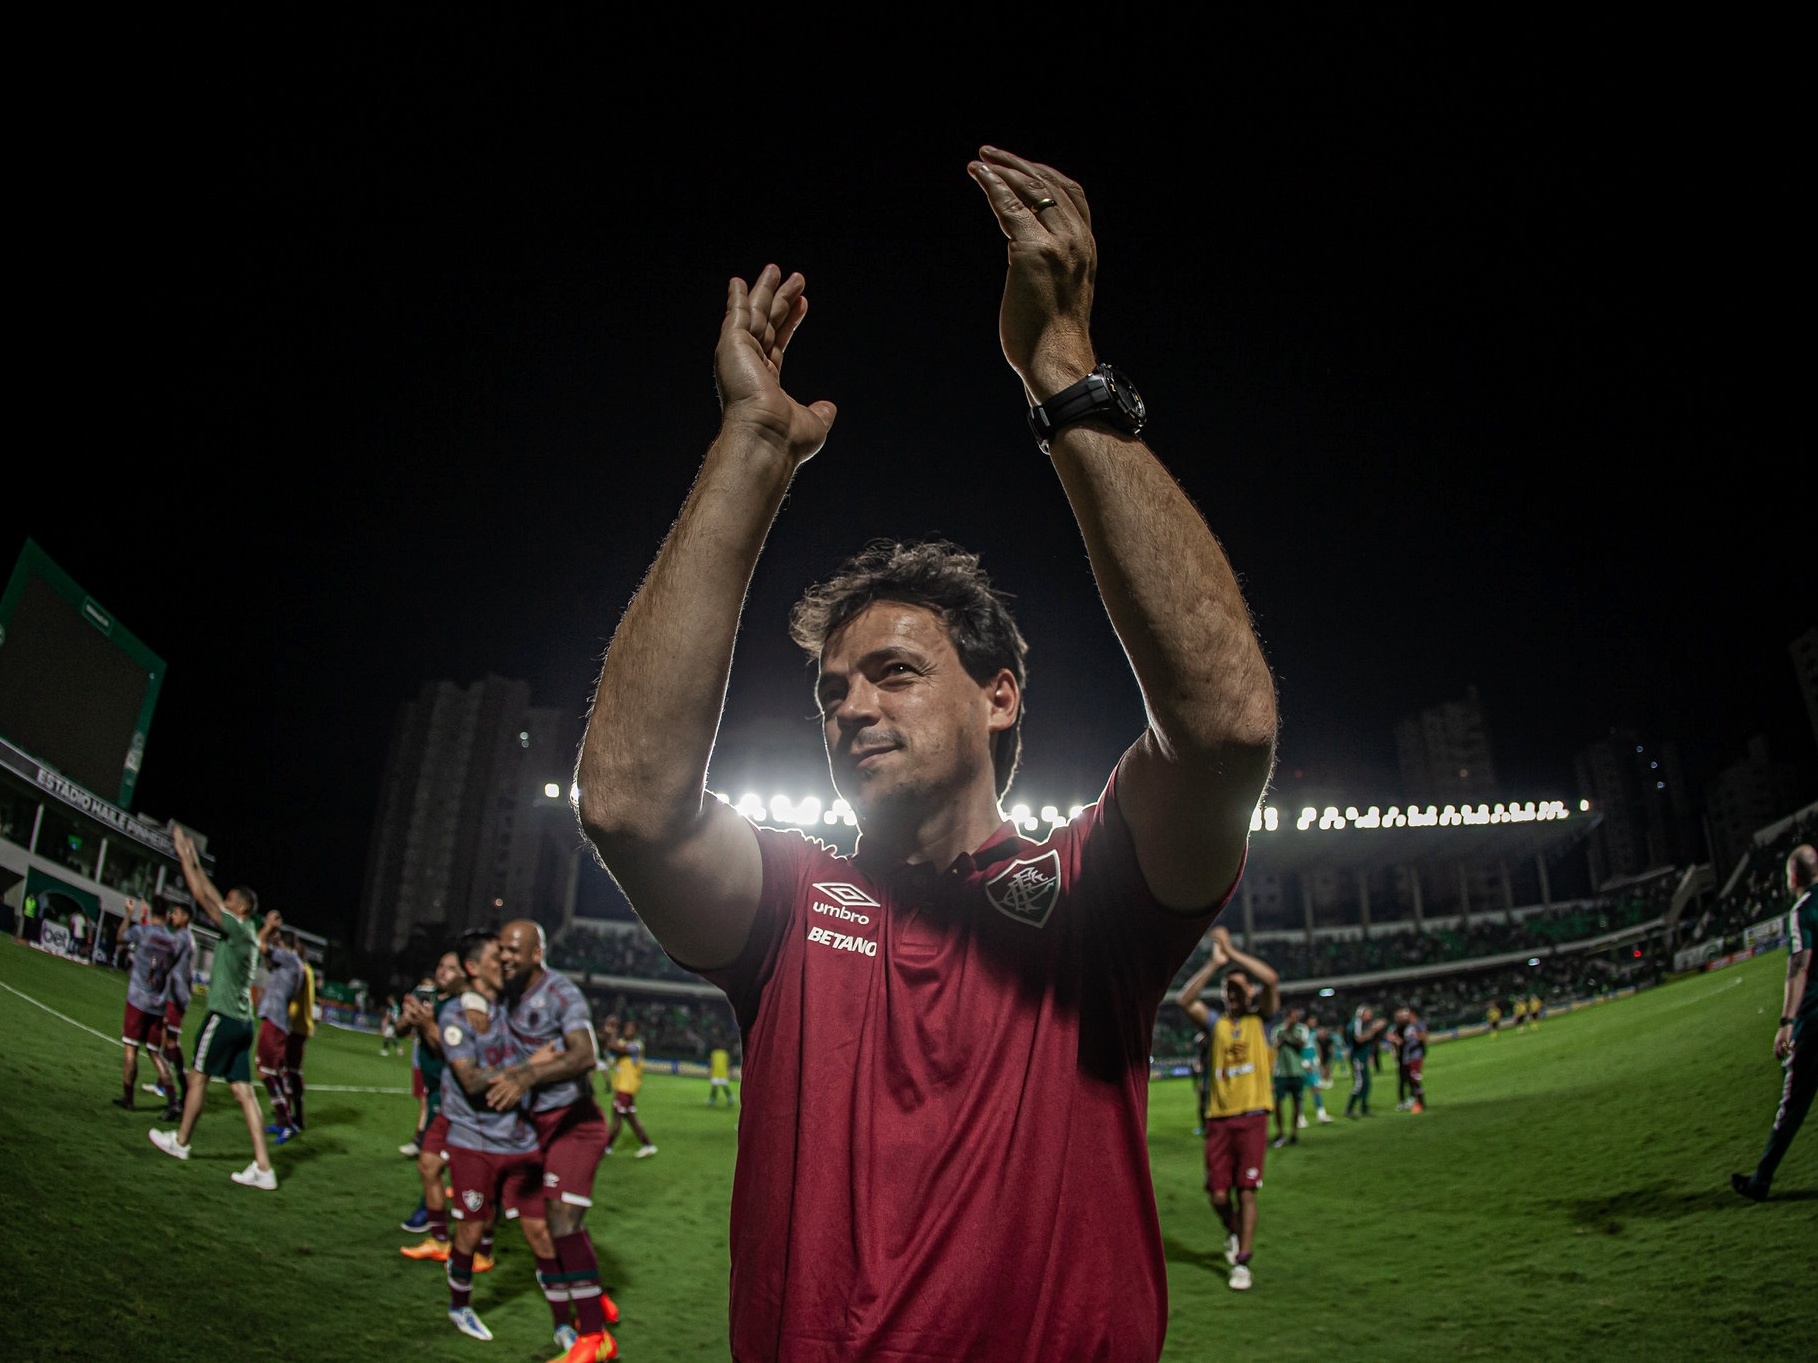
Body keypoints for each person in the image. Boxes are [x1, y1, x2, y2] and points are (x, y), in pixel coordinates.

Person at [570, 146, 1277, 1361]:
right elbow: (628, 800)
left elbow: (1225, 726)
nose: (849, 705)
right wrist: (751, 440)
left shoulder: (1097, 894)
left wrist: (1062, 374)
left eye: (893, 671)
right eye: (830, 689)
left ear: (1001, 696)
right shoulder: (793, 901)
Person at [491, 919, 621, 1362]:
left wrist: (527, 1074)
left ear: (535, 954)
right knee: (536, 1229)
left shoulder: (561, 992)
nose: (505, 956)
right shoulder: (502, 996)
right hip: (529, 1128)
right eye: (501, 950)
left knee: (562, 1220)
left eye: (514, 950)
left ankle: (595, 1336)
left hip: (574, 1123)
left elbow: (585, 1055)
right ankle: (590, 1294)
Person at [435, 929, 561, 1345]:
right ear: (473, 968)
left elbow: (555, 1036)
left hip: (520, 1140)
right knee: (471, 1230)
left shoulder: (512, 1005)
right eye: (495, 956)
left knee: (541, 1230)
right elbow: (471, 1081)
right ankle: (460, 1307)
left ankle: (564, 1323)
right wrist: (526, 1070)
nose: (504, 961)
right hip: (474, 1141)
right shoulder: (456, 1014)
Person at [148, 824, 278, 1191]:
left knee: (198, 1077)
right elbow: (208, 893)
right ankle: (264, 1168)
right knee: (244, 1092)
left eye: (229, 899)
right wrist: (191, 859)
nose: (223, 902)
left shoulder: (237, 929)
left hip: (222, 1017)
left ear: (240, 907)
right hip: (243, 1023)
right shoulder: (249, 931)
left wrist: (184, 856)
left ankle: (182, 1142)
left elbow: (201, 896)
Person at [1175, 927, 1280, 1290]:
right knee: (1218, 1195)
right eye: (1227, 989)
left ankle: (1243, 1261)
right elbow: (1185, 1001)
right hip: (1218, 1119)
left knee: (1246, 1191)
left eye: (1239, 988)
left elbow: (1271, 979)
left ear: (1249, 993)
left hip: (1252, 1116)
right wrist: (1213, 964)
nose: (1233, 993)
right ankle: (1233, 1231)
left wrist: (1233, 954)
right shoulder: (1218, 1025)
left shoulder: (1261, 1021)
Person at [1732, 843, 1818, 1202]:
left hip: (1813, 1021)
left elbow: (1799, 964)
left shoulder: (1802, 910)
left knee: (1793, 1102)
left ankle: (1762, 1180)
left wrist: (1786, 1020)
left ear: (1794, 877)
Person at [401, 950, 465, 1247]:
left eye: (451, 968)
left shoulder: (460, 1007)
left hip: (451, 1090)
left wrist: (427, 1025)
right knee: (438, 1158)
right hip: (436, 1088)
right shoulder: (427, 996)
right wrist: (409, 1017)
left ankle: (429, 1212)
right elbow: (400, 1029)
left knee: (431, 1158)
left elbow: (451, 1052)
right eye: (441, 966)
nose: (443, 972)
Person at [112, 898, 182, 1111]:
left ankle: (129, 1100)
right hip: (158, 1003)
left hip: (137, 1000)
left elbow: (120, 938)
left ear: (151, 911)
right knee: (155, 1053)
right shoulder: (173, 941)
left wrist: (128, 914)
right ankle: (172, 1102)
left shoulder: (143, 932)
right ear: (168, 915)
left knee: (130, 1049)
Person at [255, 918, 306, 1142]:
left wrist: (267, 928)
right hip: (280, 1019)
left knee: (265, 1073)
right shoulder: (296, 964)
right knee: (277, 1073)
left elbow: (260, 945)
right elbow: (268, 962)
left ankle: (286, 1121)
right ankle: (283, 1121)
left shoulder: (287, 957)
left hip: (274, 1019)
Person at [154, 901, 196, 1121]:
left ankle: (180, 1095)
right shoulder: (183, 937)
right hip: (173, 994)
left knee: (169, 1044)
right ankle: (174, 1088)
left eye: (178, 913)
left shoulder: (182, 938)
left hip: (175, 996)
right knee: (166, 1042)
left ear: (186, 917)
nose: (173, 916)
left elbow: (166, 959)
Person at [604, 1019, 657, 1157]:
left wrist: (612, 1033)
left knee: (616, 1117)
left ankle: (606, 1147)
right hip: (622, 1086)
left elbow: (617, 1048)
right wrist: (611, 1032)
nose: (627, 1030)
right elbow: (611, 1046)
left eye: (631, 1028)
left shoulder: (637, 1046)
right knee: (631, 1118)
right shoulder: (622, 1042)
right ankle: (648, 1145)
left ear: (636, 1032)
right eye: (626, 1027)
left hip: (627, 1087)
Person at [284, 932, 316, 1131]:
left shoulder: (302, 971)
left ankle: (297, 1115)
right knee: (288, 1070)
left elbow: (294, 997)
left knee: (292, 1072)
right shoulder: (307, 970)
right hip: (298, 1026)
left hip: (297, 1026)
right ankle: (290, 1111)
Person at [1268, 1004, 1312, 1148]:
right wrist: (1285, 1032)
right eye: (1293, 1016)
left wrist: (1289, 1034)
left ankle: (1294, 1132)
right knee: (1278, 1104)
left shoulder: (1301, 1029)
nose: (1295, 1019)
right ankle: (1280, 1132)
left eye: (1296, 1017)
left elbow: (1301, 1045)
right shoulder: (1277, 1030)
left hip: (1297, 1071)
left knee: (1297, 1103)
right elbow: (1275, 1046)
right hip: (1280, 1073)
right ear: (1286, 1017)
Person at [1344, 1005, 1388, 1118]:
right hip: (1357, 1057)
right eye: (1368, 1014)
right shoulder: (1356, 1023)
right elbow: (1359, 1039)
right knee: (1360, 1083)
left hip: (1362, 1056)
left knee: (1366, 1083)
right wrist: (1374, 1029)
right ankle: (1349, 1108)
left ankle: (1364, 1107)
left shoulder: (1362, 1024)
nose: (1370, 1016)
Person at [1300, 1010, 1332, 1124]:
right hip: (1302, 1064)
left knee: (1316, 1088)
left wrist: (1318, 1062)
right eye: (1312, 1020)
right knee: (1301, 1092)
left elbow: (1315, 1046)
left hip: (1313, 1064)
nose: (1314, 1022)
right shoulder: (1300, 1031)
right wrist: (1304, 1063)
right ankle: (1300, 1117)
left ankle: (1321, 1114)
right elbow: (1298, 1049)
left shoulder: (1313, 1032)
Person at [1396, 1005, 1428, 1112]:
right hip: (1408, 1057)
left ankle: (1420, 1103)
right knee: (1412, 1080)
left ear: (1412, 1014)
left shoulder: (1418, 1024)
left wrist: (1416, 1035)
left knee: (1415, 1079)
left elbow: (1424, 1038)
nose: (1405, 1016)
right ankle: (1419, 1102)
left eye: (1407, 1014)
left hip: (1416, 1055)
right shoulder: (1408, 1026)